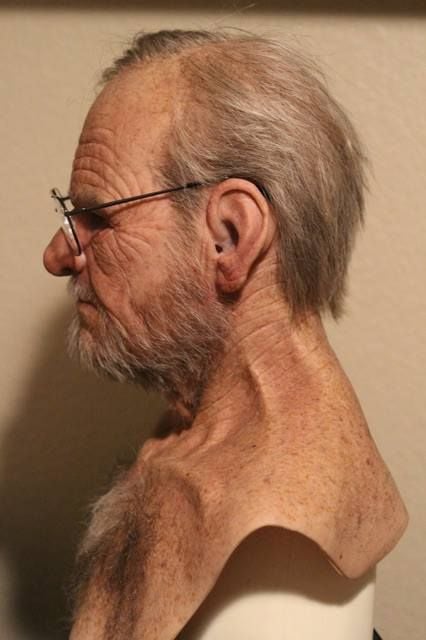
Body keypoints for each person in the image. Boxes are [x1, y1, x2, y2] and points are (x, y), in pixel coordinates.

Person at [43, 30, 407, 640]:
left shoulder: (278, 537)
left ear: (229, 237)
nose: (57, 256)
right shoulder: (188, 430)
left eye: (98, 218)